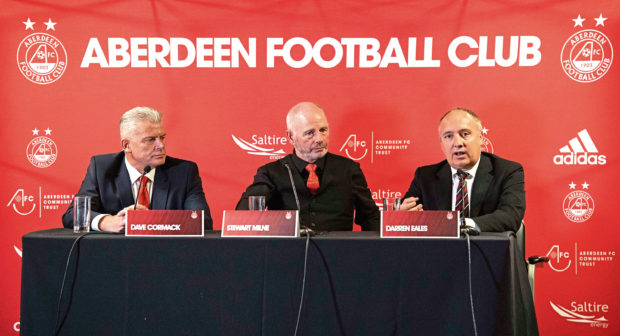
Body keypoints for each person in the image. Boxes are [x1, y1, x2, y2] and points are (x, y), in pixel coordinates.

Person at [62, 106, 213, 232]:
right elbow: (72, 214)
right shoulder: (102, 168)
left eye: (162, 137)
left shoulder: (184, 171)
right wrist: (106, 222)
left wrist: (147, 221)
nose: (161, 145)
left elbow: (202, 221)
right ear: (126, 145)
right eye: (151, 139)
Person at [236, 102, 380, 231]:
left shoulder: (349, 169)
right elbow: (243, 216)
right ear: (291, 137)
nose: (319, 139)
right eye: (310, 133)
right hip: (287, 255)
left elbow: (371, 218)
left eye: (323, 130)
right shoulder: (270, 173)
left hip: (339, 255)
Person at [399, 107, 524, 232]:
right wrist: (400, 216)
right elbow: (406, 216)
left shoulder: (507, 171)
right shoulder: (425, 176)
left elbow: (510, 216)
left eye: (465, 134)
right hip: (437, 250)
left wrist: (461, 224)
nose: (457, 143)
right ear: (441, 143)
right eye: (448, 136)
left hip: (486, 249)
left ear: (481, 137)